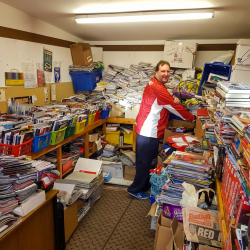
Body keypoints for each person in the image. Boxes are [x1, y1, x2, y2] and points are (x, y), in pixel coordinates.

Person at [127, 60, 196, 199]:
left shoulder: (154, 82)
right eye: (163, 71)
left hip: (144, 127)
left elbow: (164, 100)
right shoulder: (159, 88)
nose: (166, 74)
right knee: (145, 162)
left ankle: (143, 184)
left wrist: (171, 98)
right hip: (149, 130)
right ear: (156, 72)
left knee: (144, 160)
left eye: (168, 71)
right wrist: (192, 118)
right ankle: (135, 189)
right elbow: (174, 108)